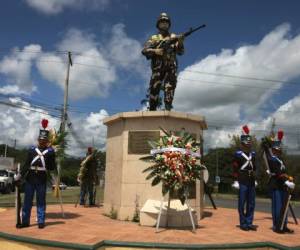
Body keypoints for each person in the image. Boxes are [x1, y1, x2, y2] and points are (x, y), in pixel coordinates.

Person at [14, 119, 56, 229]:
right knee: (27, 200)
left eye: (44, 140)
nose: (42, 141)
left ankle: (41, 221)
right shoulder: (32, 150)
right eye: (40, 140)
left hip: (42, 179)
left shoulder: (50, 152)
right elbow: (26, 164)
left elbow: (52, 167)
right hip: (30, 178)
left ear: (47, 141)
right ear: (38, 140)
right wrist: (20, 175)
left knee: (41, 201)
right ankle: (25, 221)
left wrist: (52, 156)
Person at [142, 12, 184, 111]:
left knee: (170, 88)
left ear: (169, 24)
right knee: (154, 89)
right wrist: (155, 51)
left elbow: (181, 52)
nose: (164, 24)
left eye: (166, 22)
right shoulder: (154, 38)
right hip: (157, 67)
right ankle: (152, 110)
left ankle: (168, 108)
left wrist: (181, 41)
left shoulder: (174, 36)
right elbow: (144, 51)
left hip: (171, 67)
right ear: (158, 24)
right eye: (162, 22)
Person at [265, 130, 295, 234]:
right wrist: (286, 178)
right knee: (277, 207)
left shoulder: (280, 160)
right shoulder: (272, 159)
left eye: (279, 150)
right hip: (276, 185)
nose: (278, 151)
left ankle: (284, 225)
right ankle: (277, 226)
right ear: (273, 150)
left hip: (283, 185)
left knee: (284, 207)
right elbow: (278, 173)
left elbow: (284, 171)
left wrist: (288, 179)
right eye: (276, 150)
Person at [232, 125, 257, 231]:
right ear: (242, 144)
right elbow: (234, 168)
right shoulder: (238, 154)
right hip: (242, 180)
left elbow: (255, 167)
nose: (248, 145)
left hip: (251, 180)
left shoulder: (253, 154)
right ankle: (243, 223)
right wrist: (236, 180)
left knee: (251, 203)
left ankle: (249, 222)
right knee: (242, 203)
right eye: (246, 143)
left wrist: (255, 179)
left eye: (249, 143)